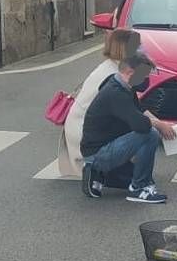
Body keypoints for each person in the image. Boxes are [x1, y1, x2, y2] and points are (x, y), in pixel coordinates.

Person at [80, 50, 177, 203]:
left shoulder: (120, 83)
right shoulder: (115, 93)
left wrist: (162, 123)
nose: (146, 80)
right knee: (150, 134)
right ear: (130, 72)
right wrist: (159, 126)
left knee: (133, 175)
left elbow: (139, 110)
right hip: (99, 152)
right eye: (144, 75)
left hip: (108, 145)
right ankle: (139, 188)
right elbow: (141, 124)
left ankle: (97, 173)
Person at [58, 28, 139, 185]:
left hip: (84, 126)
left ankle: (109, 168)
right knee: (142, 134)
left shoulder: (113, 67)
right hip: (87, 132)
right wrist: (156, 125)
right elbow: (129, 112)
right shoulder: (112, 75)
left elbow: (134, 105)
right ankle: (98, 169)